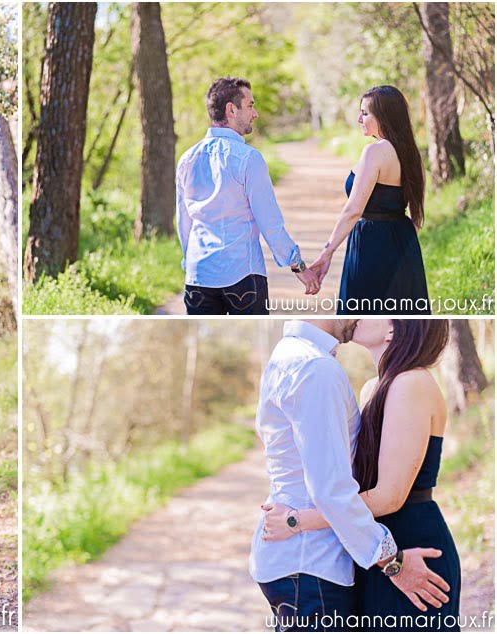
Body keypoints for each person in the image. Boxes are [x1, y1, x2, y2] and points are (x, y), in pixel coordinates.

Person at [250, 320, 450, 632]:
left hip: (409, 543)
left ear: (393, 330)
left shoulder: (412, 383)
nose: (356, 310)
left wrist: (298, 520)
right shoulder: (369, 386)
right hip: (369, 545)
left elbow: (388, 496)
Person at [176, 76, 318, 315]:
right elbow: (270, 223)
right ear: (231, 109)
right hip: (242, 275)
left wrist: (189, 263)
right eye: (250, 105)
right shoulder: (248, 158)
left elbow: (184, 222)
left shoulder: (187, 159)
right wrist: (298, 266)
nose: (256, 113)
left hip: (198, 277)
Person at [308, 86, 430, 314]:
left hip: (371, 243)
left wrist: (328, 251)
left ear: (383, 116)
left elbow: (353, 209)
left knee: (363, 313)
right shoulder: (413, 155)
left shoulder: (375, 152)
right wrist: (402, 245)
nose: (359, 118)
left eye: (365, 113)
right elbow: (417, 214)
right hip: (404, 243)